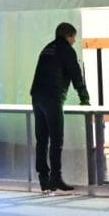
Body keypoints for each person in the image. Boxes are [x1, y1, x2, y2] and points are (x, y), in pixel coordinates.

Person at [30, 22, 90, 193]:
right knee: (56, 140)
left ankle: (44, 178)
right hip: (52, 97)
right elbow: (76, 75)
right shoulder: (66, 50)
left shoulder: (47, 48)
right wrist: (84, 98)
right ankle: (55, 177)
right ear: (68, 36)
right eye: (73, 37)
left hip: (37, 96)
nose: (74, 41)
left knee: (42, 139)